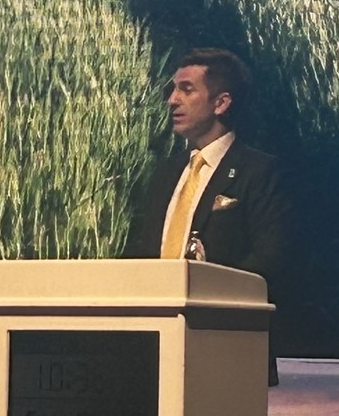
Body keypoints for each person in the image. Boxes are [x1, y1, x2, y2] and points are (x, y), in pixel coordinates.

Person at [126, 48, 299, 387]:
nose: (172, 100)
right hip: (153, 348)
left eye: (186, 89)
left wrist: (201, 293)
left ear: (221, 103)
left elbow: (271, 259)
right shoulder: (167, 173)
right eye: (173, 89)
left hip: (225, 345)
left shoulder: (259, 171)